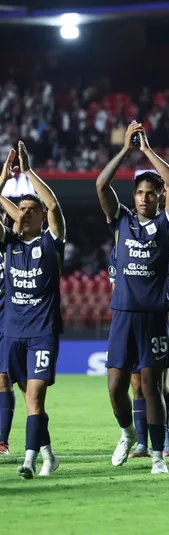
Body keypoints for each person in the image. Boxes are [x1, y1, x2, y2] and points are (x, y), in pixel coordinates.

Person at [98, 123, 169, 475]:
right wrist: (125, 151)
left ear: (159, 197)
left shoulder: (167, 225)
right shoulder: (121, 221)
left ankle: (158, 456)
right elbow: (101, 185)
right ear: (133, 197)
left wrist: (146, 151)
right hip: (123, 315)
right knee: (116, 387)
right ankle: (128, 433)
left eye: (151, 193)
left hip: (154, 316)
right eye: (140, 193)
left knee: (152, 388)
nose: (145, 198)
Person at [0, 143, 65, 479]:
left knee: (36, 398)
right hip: (12, 333)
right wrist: (3, 177)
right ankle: (49, 456)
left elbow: (53, 205)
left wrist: (26, 171)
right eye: (20, 209)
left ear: (41, 217)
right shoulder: (9, 243)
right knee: (30, 402)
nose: (23, 213)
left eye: (30, 209)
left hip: (42, 334)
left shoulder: (50, 243)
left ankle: (28, 461)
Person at [0, 188, 21, 455]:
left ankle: (1, 440)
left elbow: (20, 219)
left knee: (3, 379)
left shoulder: (10, 243)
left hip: (6, 318)